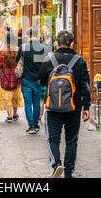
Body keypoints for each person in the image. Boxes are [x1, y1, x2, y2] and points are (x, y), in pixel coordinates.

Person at [37, 30, 91, 178]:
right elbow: (85, 84)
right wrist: (86, 107)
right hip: (73, 107)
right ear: (72, 43)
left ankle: (56, 164)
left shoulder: (50, 59)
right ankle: (68, 173)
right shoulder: (79, 61)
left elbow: (40, 78)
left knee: (52, 139)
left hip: (53, 107)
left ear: (57, 43)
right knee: (71, 141)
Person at [16, 27, 48, 134]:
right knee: (36, 103)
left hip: (26, 79)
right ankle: (36, 124)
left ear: (27, 36)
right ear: (37, 35)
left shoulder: (23, 47)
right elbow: (46, 63)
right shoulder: (43, 47)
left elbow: (18, 61)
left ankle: (31, 126)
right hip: (39, 80)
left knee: (28, 103)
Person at [0, 32, 23, 123]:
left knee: (7, 97)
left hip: (5, 77)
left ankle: (9, 116)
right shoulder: (19, 50)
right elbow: (22, 63)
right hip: (16, 77)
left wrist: (3, 67)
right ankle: (15, 114)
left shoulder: (2, 51)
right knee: (15, 96)